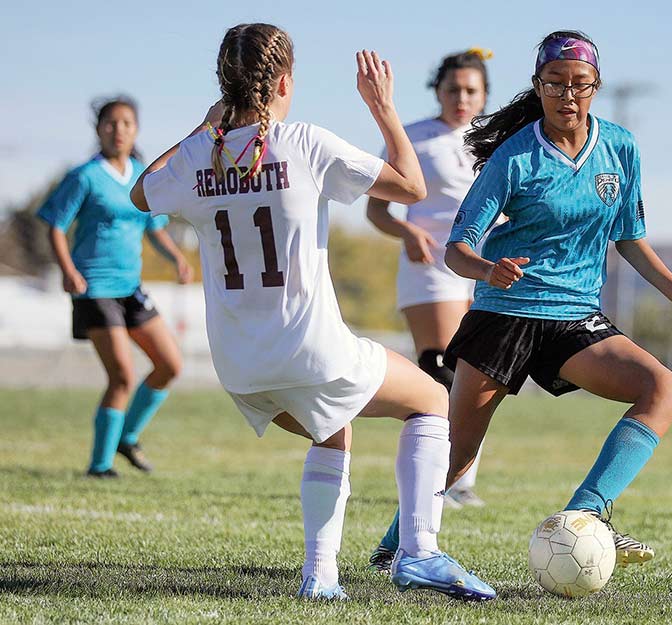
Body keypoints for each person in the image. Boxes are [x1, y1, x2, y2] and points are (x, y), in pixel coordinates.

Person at [130, 23, 495, 601]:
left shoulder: (202, 151)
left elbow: (141, 193)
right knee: (430, 401)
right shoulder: (302, 143)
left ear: (225, 86)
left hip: (239, 367)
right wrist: (383, 108)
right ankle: (419, 553)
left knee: (331, 427)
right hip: (308, 349)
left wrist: (206, 127)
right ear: (282, 82)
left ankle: (321, 577)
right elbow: (409, 185)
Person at [373, 30, 672, 568]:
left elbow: (629, 237)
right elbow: (457, 251)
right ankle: (393, 548)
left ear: (595, 87)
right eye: (555, 84)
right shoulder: (513, 156)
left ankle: (585, 518)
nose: (567, 95)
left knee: (662, 389)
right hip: (505, 315)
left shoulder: (619, 146)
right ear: (538, 86)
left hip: (575, 318)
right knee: (457, 455)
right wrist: (488, 270)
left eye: (579, 84)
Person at [366, 49, 491, 531]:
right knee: (442, 369)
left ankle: (460, 480)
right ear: (437, 90)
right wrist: (407, 232)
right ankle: (441, 480)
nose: (461, 98)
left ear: (484, 95)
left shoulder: (500, 139)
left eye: (471, 90)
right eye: (453, 89)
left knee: (478, 372)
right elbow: (377, 212)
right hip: (430, 266)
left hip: (484, 266)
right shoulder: (413, 137)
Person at [38, 96, 192, 478]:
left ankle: (128, 436)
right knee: (122, 375)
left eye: (125, 123)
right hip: (94, 288)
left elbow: (154, 229)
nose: (118, 130)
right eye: (110, 123)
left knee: (170, 364)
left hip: (131, 288)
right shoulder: (84, 176)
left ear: (135, 130)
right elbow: (56, 226)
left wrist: (177, 258)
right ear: (98, 129)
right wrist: (68, 269)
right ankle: (100, 465)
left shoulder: (141, 174)